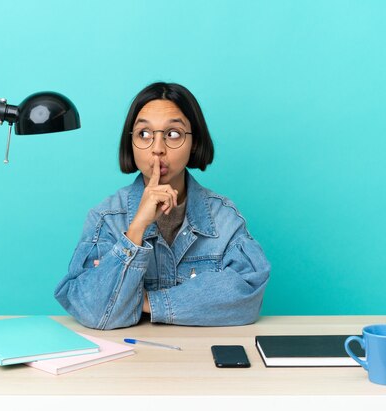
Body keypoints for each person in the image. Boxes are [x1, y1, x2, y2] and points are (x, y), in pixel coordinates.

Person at [54, 82, 270, 330]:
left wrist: (147, 302)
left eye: (173, 134)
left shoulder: (224, 217)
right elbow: (93, 310)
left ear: (195, 142)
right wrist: (137, 228)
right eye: (144, 134)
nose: (157, 149)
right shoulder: (106, 218)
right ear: (131, 143)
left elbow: (247, 297)